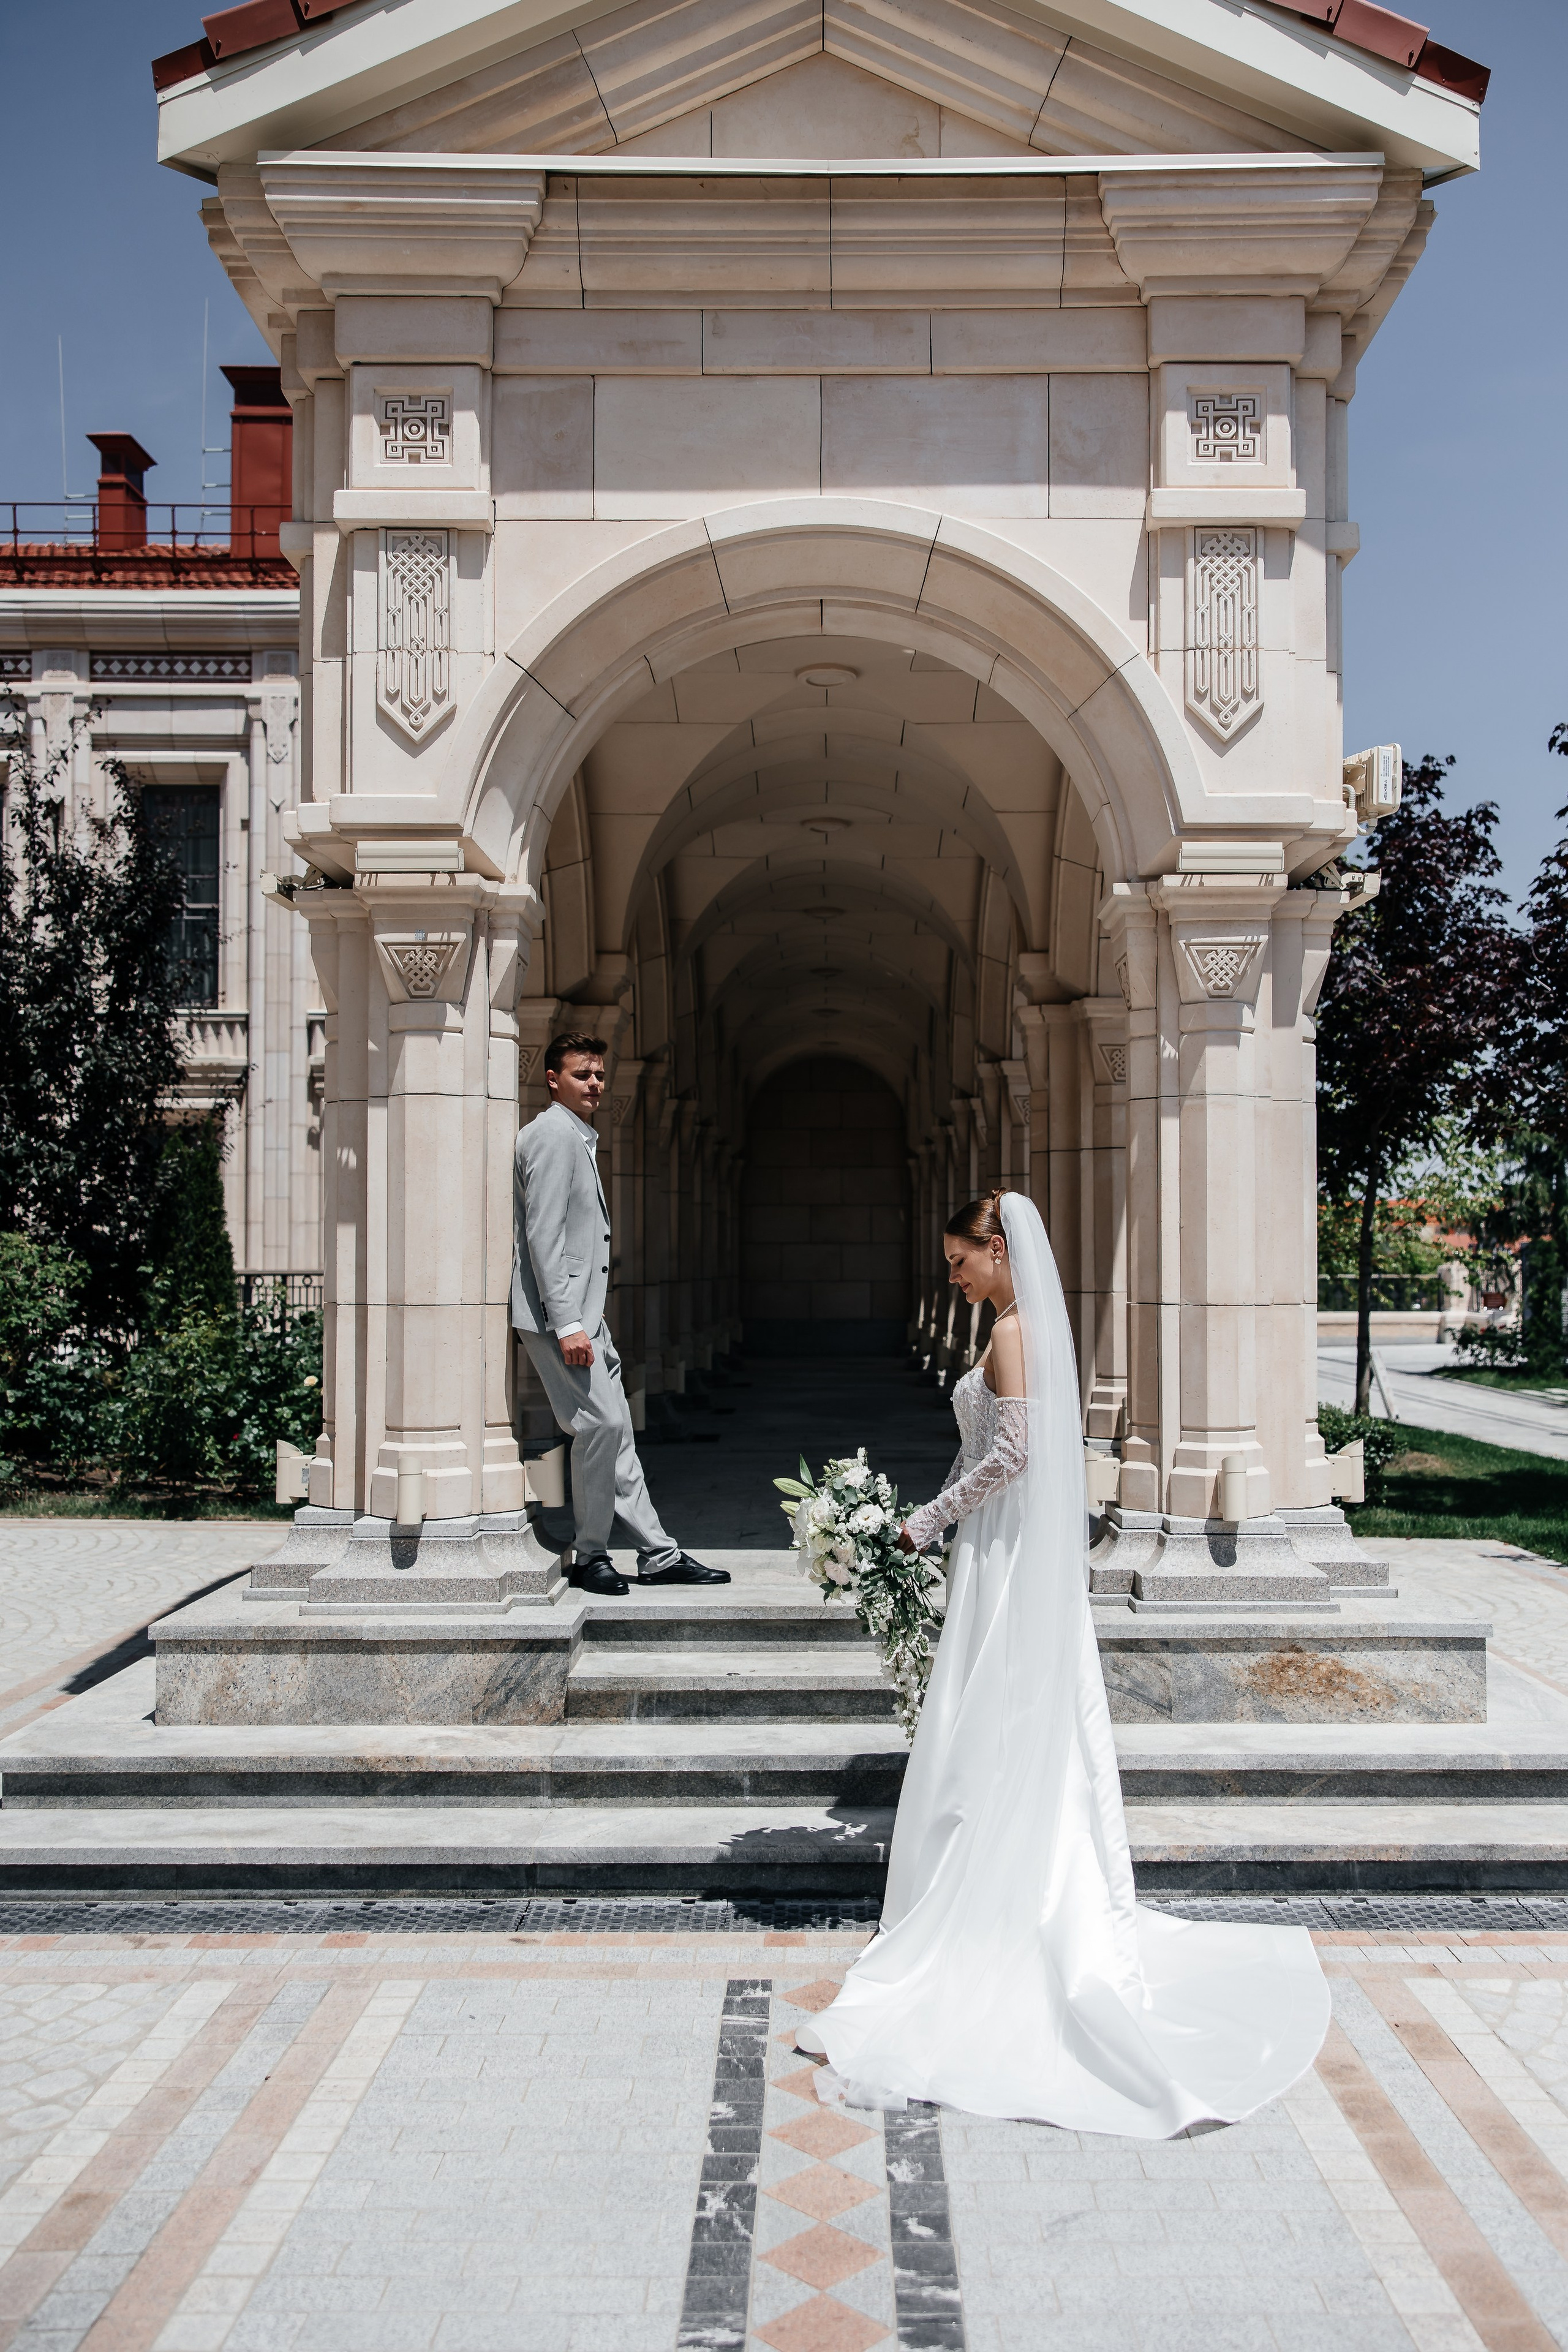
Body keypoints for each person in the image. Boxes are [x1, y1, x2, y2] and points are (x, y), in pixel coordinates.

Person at [802, 1188, 1329, 2136]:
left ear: (998, 1248)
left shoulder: (1011, 1334)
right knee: (998, 1715)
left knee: (987, 1713)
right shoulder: (1018, 1323)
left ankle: (991, 1901)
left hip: (1000, 1547)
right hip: (999, 1546)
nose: (950, 1273)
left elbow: (1012, 1456)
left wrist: (920, 1521)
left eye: (959, 1258)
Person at [512, 1031, 729, 1597]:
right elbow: (543, 1238)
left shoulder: (577, 1137)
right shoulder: (553, 1136)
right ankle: (589, 1554)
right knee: (601, 1427)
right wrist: (568, 1324)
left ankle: (657, 1554)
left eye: (600, 1075)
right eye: (583, 1074)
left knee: (618, 1438)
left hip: (585, 1317)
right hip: (560, 1319)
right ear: (553, 1080)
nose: (595, 1084)